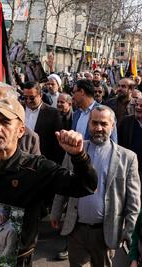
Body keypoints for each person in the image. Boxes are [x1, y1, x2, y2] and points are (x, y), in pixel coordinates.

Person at [0, 97, 98, 266]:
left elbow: (86, 186)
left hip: (17, 260)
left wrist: (79, 156)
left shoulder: (36, 168)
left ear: (20, 130)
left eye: (6, 122)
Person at [51, 105, 140, 267]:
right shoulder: (75, 150)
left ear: (112, 126)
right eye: (94, 123)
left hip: (105, 231)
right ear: (88, 124)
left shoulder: (128, 158)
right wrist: (55, 212)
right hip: (76, 229)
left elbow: (133, 201)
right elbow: (62, 185)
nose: (98, 128)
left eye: (103, 124)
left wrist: (129, 230)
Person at [23, 81, 64, 163]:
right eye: (25, 97)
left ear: (40, 95)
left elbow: (57, 145)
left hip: (42, 162)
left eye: (31, 98)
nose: (28, 101)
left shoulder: (53, 113)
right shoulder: (19, 109)